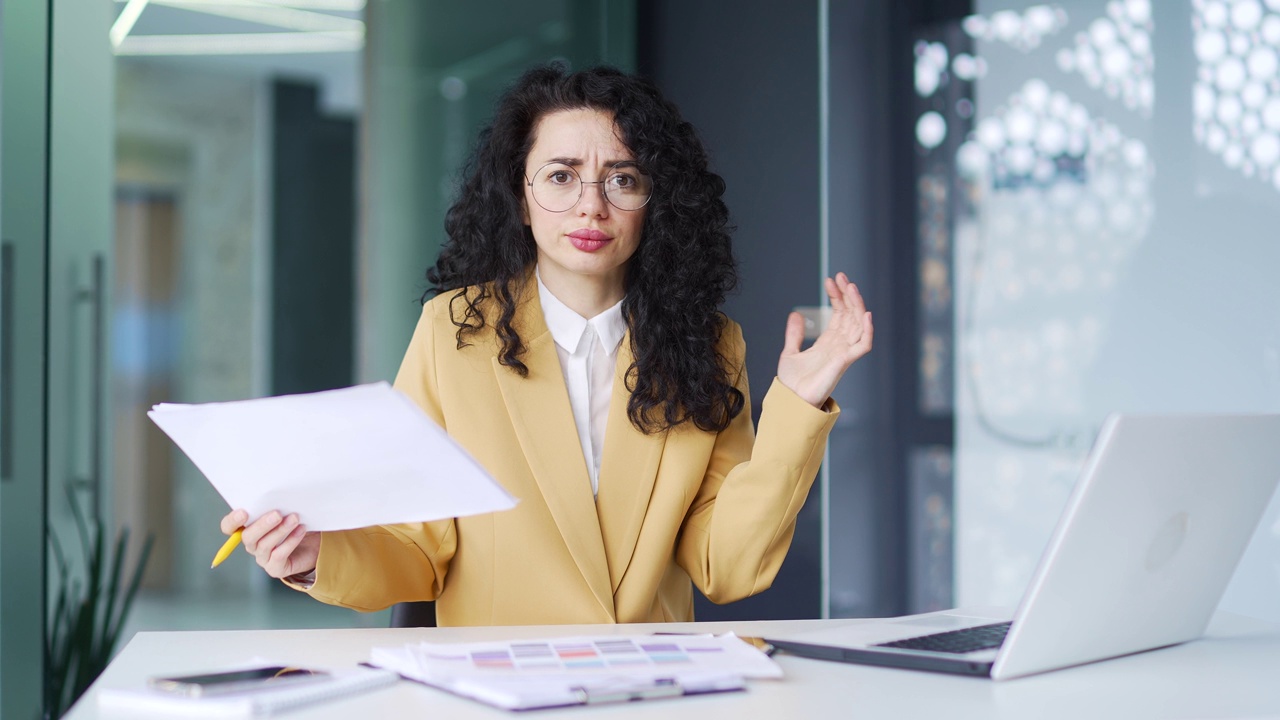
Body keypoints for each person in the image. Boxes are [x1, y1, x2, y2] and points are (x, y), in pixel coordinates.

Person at [220, 64, 873, 626]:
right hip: (497, 690)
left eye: (623, 179)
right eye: (561, 176)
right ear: (523, 200)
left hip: (652, 692)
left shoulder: (708, 343)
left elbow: (726, 566)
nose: (591, 206)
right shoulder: (454, 332)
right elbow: (418, 548)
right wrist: (312, 557)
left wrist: (797, 404)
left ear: (655, 202)